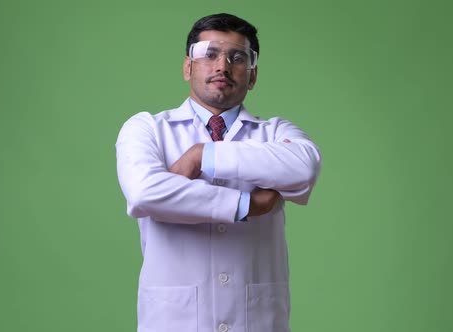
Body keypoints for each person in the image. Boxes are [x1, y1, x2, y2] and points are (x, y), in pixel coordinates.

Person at [116, 13, 321, 332]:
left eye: (237, 57)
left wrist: (203, 154)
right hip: (174, 322)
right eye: (209, 54)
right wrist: (247, 205)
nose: (222, 66)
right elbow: (145, 193)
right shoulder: (148, 129)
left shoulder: (275, 131)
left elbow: (304, 166)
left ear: (252, 76)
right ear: (188, 67)